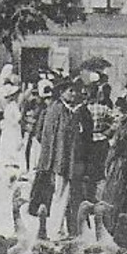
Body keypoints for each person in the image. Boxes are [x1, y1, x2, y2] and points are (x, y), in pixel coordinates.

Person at [35, 76, 90, 238]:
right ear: (61, 93)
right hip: (61, 160)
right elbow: (51, 138)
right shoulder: (57, 110)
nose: (74, 94)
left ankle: (65, 229)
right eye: (70, 91)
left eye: (75, 91)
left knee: (67, 195)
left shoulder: (70, 110)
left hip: (69, 159)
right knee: (60, 194)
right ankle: (55, 230)